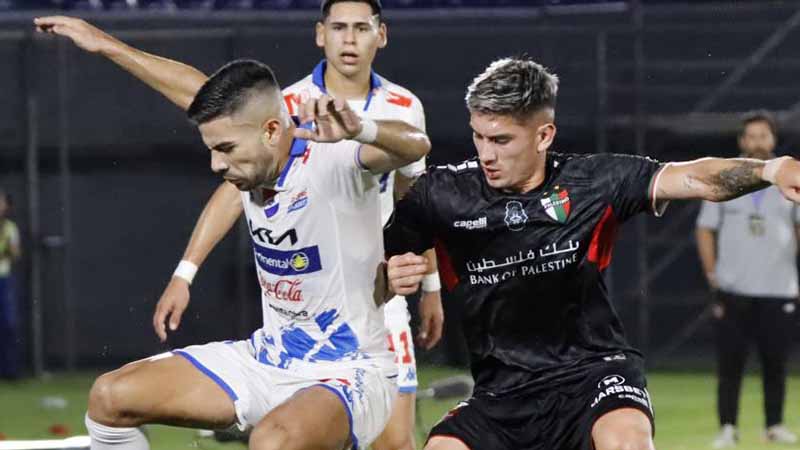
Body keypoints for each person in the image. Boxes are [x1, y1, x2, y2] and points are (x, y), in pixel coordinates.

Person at [34, 4, 443, 448]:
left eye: (225, 148)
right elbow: (197, 90)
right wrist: (106, 45)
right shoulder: (256, 136)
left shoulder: (334, 155)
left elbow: (416, 146)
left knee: (285, 441)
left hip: (350, 368)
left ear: (271, 131)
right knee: (110, 396)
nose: (216, 164)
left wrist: (360, 127)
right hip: (270, 356)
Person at [383, 57, 800, 450]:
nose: (485, 153)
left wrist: (770, 169)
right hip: (502, 395)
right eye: (477, 136)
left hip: (595, 374)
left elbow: (693, 177)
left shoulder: (592, 182)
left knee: (626, 440)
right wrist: (389, 277)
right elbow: (371, 255)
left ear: (544, 135)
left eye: (501, 139)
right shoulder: (444, 193)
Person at [695, 111, 799, 448]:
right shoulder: (726, 177)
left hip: (778, 287)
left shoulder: (789, 178)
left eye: (763, 136)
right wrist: (713, 276)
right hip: (733, 288)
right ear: (742, 141)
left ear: (773, 140)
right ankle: (727, 428)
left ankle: (774, 425)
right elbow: (705, 229)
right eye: (751, 136)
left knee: (776, 363)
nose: (757, 142)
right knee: (730, 365)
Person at [0, 189, 21, 380]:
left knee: (8, 324)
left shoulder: (10, 229)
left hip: (3, 279)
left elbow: (15, 254)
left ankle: (10, 371)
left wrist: (9, 249)